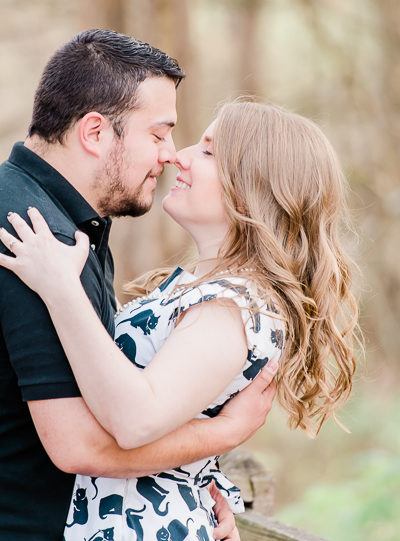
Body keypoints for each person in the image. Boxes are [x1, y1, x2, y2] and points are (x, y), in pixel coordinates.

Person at [0, 100, 359, 540]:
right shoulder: (205, 293)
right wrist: (204, 467)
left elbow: (135, 419)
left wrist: (60, 288)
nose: (179, 156)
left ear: (252, 187)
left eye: (207, 151)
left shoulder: (231, 307)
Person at [0, 30, 278, 541]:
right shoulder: (33, 235)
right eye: (158, 134)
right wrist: (225, 433)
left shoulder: (71, 233)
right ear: (96, 134)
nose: (171, 156)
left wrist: (195, 488)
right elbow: (82, 444)